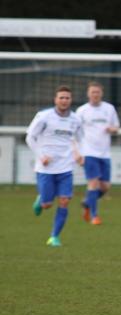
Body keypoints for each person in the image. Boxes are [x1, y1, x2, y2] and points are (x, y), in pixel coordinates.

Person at [26, 86, 82, 247]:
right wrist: (41, 156)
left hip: (66, 167)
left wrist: (78, 153)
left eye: (67, 98)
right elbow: (30, 137)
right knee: (47, 204)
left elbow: (78, 139)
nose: (64, 100)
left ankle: (54, 237)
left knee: (64, 201)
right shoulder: (43, 117)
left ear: (71, 100)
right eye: (61, 98)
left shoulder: (75, 119)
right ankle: (41, 200)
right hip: (45, 168)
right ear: (55, 99)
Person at [76, 82, 120, 225]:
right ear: (88, 94)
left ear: (101, 93)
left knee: (105, 186)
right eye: (93, 92)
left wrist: (112, 129)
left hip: (104, 153)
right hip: (88, 152)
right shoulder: (82, 111)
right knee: (93, 183)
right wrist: (77, 153)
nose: (95, 94)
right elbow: (74, 132)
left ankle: (88, 202)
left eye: (97, 92)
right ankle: (94, 216)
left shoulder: (109, 108)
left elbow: (116, 126)